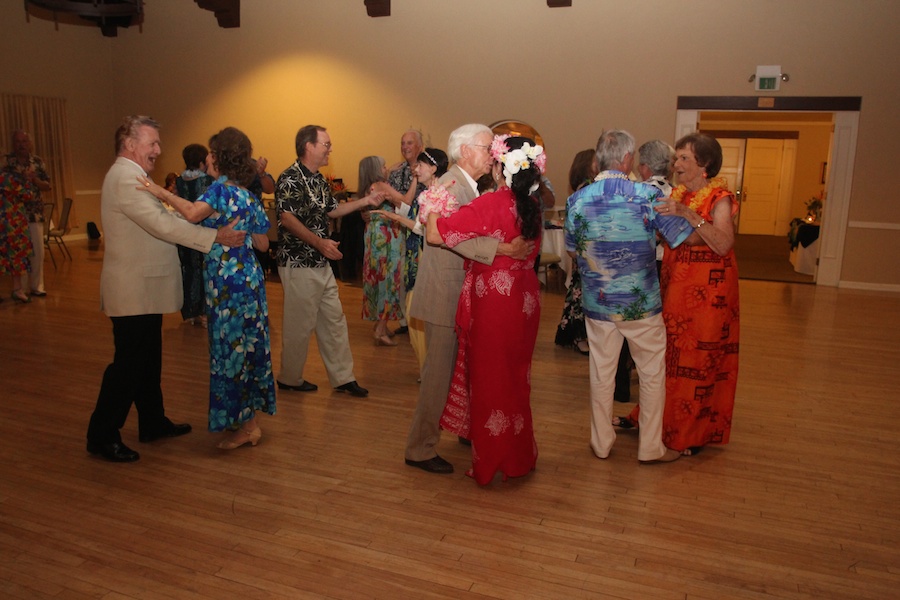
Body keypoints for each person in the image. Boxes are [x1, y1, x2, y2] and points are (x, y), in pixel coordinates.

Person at [86, 115, 246, 463]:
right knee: (127, 364)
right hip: (133, 289)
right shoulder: (125, 179)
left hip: (144, 288)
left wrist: (200, 222)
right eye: (152, 143)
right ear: (130, 144)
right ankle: (101, 434)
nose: (159, 150)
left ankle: (152, 422)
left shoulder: (137, 177)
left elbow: (167, 219)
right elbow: (161, 224)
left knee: (147, 359)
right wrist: (214, 236)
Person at [404, 123, 531, 475]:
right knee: (438, 375)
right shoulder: (448, 186)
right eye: (486, 145)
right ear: (465, 151)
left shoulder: (471, 186)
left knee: (463, 371)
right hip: (444, 292)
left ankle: (466, 429)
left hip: (463, 292)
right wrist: (503, 249)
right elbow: (441, 236)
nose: (493, 152)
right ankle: (419, 447)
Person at [138, 127, 276, 450]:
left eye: (213, 153)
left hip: (227, 285)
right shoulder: (247, 195)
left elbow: (190, 213)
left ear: (221, 157)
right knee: (246, 347)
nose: (208, 158)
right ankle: (243, 419)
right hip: (250, 281)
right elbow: (264, 244)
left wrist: (159, 192)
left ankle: (250, 427)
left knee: (231, 351)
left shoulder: (218, 192)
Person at [566, 129, 693, 464]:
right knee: (651, 374)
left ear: (597, 160)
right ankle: (650, 447)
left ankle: (601, 442)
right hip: (642, 304)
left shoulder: (577, 199)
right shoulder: (646, 196)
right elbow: (678, 237)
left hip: (598, 302)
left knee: (601, 372)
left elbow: (573, 251)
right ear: (627, 159)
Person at [428, 135, 544, 485]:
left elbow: (438, 233)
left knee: (490, 383)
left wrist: (434, 201)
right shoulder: (533, 206)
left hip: (494, 301)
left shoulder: (491, 203)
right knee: (516, 380)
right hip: (524, 300)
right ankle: (520, 455)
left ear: (498, 166)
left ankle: (491, 460)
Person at [616, 133, 740, 457]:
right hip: (675, 288)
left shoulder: (720, 198)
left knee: (695, 365)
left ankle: (687, 437)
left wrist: (686, 214)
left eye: (685, 158)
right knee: (667, 358)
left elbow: (723, 243)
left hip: (708, 297)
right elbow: (675, 238)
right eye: (678, 157)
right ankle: (651, 420)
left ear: (705, 165)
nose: (677, 164)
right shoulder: (680, 193)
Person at [274, 124, 383, 398]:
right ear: (308, 146)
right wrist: (318, 242)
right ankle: (290, 378)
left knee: (334, 320)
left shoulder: (319, 180)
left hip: (321, 262)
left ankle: (343, 378)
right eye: (326, 144)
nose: (329, 149)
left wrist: (364, 201)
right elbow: (287, 219)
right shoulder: (289, 178)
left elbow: (333, 211)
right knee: (299, 325)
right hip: (298, 262)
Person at [372, 147, 449, 376]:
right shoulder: (426, 192)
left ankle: (431, 368)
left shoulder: (439, 194)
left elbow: (422, 228)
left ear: (433, 168)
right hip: (417, 254)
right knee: (414, 310)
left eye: (421, 165)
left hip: (427, 257)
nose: (416, 169)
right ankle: (427, 367)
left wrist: (395, 217)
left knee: (418, 310)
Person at [554, 149, 597, 356]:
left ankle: (576, 334)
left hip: (583, 249)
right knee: (581, 293)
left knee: (578, 291)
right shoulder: (588, 189)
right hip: (585, 249)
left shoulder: (582, 188)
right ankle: (580, 336)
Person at [358, 155, 404, 346]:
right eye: (384, 166)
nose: (387, 168)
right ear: (377, 170)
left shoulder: (367, 186)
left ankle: (381, 324)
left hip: (374, 235)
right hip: (386, 237)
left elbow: (363, 215)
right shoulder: (381, 185)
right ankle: (380, 329)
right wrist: (416, 179)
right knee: (388, 280)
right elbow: (405, 200)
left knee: (377, 278)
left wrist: (391, 169)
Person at [384, 129, 426, 335]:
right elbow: (396, 201)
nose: (405, 147)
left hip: (426, 231)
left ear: (420, 146)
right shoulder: (397, 172)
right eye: (403, 143)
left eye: (410, 143)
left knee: (422, 276)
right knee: (402, 276)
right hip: (402, 230)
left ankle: (422, 322)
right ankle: (405, 322)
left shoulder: (429, 169)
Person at [5, 130, 51, 298]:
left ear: (29, 143)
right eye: (18, 142)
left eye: (24, 141)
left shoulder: (37, 162)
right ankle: (20, 288)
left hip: (34, 213)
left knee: (38, 251)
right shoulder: (7, 163)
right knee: (18, 253)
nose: (21, 145)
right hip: (14, 215)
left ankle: (37, 286)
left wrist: (34, 180)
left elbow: (47, 185)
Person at [175, 144, 215, 326]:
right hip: (203, 231)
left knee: (189, 270)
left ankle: (190, 312)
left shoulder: (179, 180)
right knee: (205, 270)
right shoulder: (207, 181)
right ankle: (205, 313)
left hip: (184, 230)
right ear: (201, 161)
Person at [0, 170, 34, 303]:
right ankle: (17, 289)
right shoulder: (8, 178)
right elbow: (27, 195)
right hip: (13, 221)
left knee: (3, 255)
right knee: (17, 255)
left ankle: (17, 290)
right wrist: (28, 181)